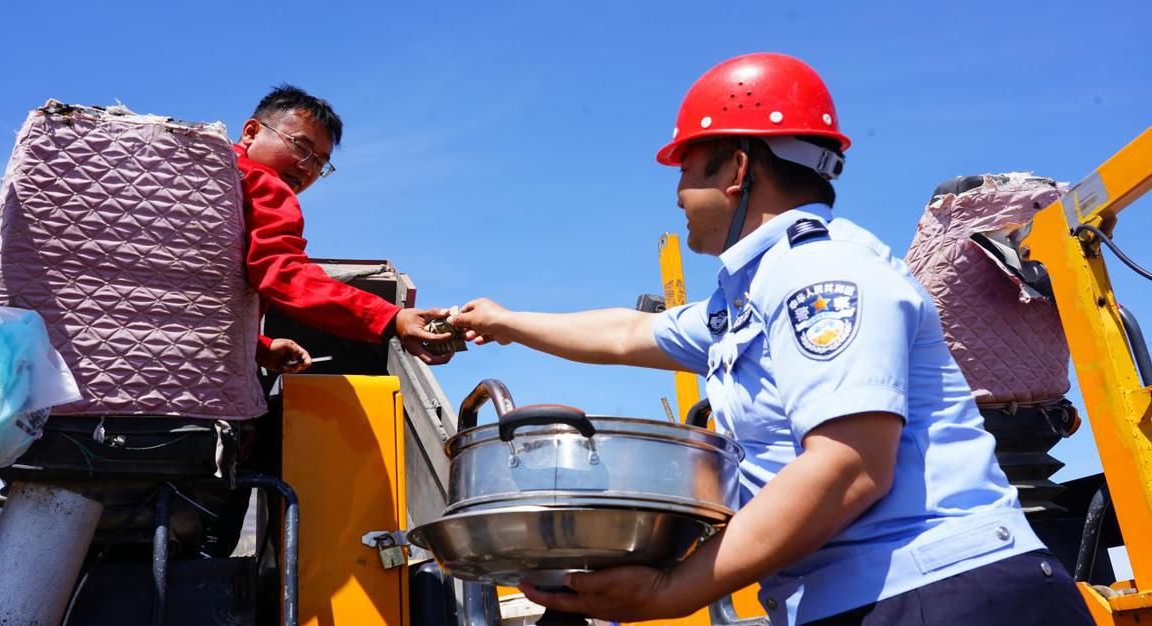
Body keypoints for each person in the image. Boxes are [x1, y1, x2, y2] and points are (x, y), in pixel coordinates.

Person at [451, 53, 1093, 625]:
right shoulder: (752, 295)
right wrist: (505, 321)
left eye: (685, 170)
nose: (677, 195)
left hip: (942, 593)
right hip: (881, 597)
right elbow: (629, 331)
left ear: (736, 167)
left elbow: (847, 466)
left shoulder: (820, 272)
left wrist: (671, 593)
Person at [235, 85, 454, 367]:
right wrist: (391, 317)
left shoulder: (198, 174)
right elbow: (283, 273)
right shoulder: (266, 185)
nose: (307, 168)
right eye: (302, 147)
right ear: (251, 132)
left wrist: (259, 348)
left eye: (320, 163)